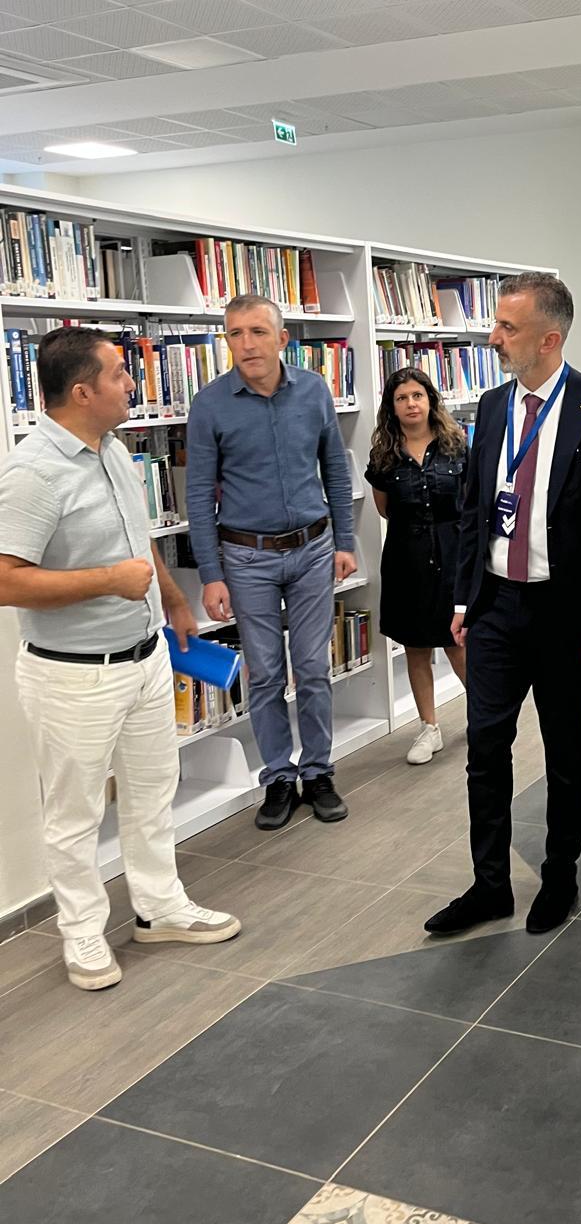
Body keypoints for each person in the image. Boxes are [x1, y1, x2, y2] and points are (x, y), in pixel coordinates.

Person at [0, 326, 239, 992]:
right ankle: (80, 932)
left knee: (152, 793)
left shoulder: (110, 449)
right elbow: (5, 580)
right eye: (118, 374)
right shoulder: (32, 473)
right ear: (83, 392)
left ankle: (160, 908)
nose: (132, 383)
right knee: (74, 814)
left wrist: (173, 600)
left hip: (146, 658)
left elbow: (139, 543)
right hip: (73, 676)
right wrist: (108, 581)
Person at [424, 272, 581, 937]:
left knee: (563, 752)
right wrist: (465, 597)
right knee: (485, 748)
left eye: (507, 328)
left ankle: (560, 876)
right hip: (495, 607)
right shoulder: (492, 407)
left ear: (549, 339)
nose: (493, 337)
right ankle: (489, 885)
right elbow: (473, 511)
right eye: (495, 323)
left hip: (564, 615)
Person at [186, 295, 357, 832]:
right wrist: (211, 574)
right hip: (246, 557)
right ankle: (279, 778)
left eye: (258, 332)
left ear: (282, 339)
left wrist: (346, 541)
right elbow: (198, 495)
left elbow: (334, 468)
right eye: (235, 334)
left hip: (313, 549)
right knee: (263, 674)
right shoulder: (210, 404)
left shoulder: (313, 390)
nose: (247, 344)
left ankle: (319, 772)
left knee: (312, 668)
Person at [366, 366, 468, 764]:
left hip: (454, 556)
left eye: (417, 395)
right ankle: (429, 728)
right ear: (392, 407)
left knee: (458, 643)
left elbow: (470, 501)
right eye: (402, 398)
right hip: (406, 561)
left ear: (430, 400)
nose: (411, 404)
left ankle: (483, 713)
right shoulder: (384, 456)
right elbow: (385, 509)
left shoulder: (456, 446)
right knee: (416, 646)